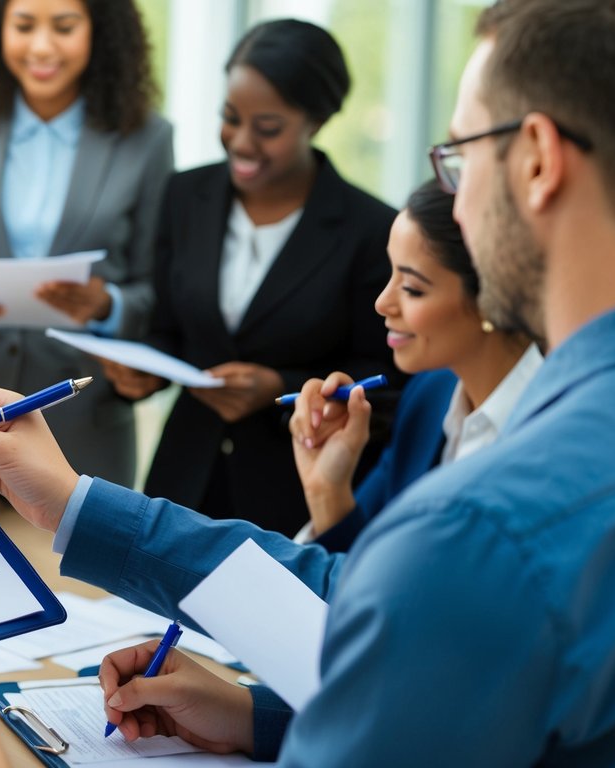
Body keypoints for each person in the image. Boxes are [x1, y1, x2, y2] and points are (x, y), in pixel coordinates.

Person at [0, 0, 615, 762]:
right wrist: (256, 716)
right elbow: (370, 603)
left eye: (462, 155)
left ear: (536, 160)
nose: (453, 199)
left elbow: (405, 594)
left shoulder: (480, 530)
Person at [99, 19, 398, 535]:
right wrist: (141, 374)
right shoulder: (183, 197)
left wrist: (278, 388)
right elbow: (168, 330)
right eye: (229, 118)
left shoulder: (370, 230)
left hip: (296, 495)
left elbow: (388, 380)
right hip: (184, 482)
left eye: (268, 128)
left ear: (317, 120)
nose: (240, 142)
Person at [0, 0, 174, 486]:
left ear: (100, 31)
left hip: (82, 426)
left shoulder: (146, 139)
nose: (41, 46)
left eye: (64, 26)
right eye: (24, 25)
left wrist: (107, 305)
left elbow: (157, 287)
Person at [291, 178, 541, 552]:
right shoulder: (429, 393)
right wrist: (327, 490)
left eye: (411, 288)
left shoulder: (547, 429)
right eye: (390, 273)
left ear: (493, 295)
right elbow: (368, 572)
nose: (382, 303)